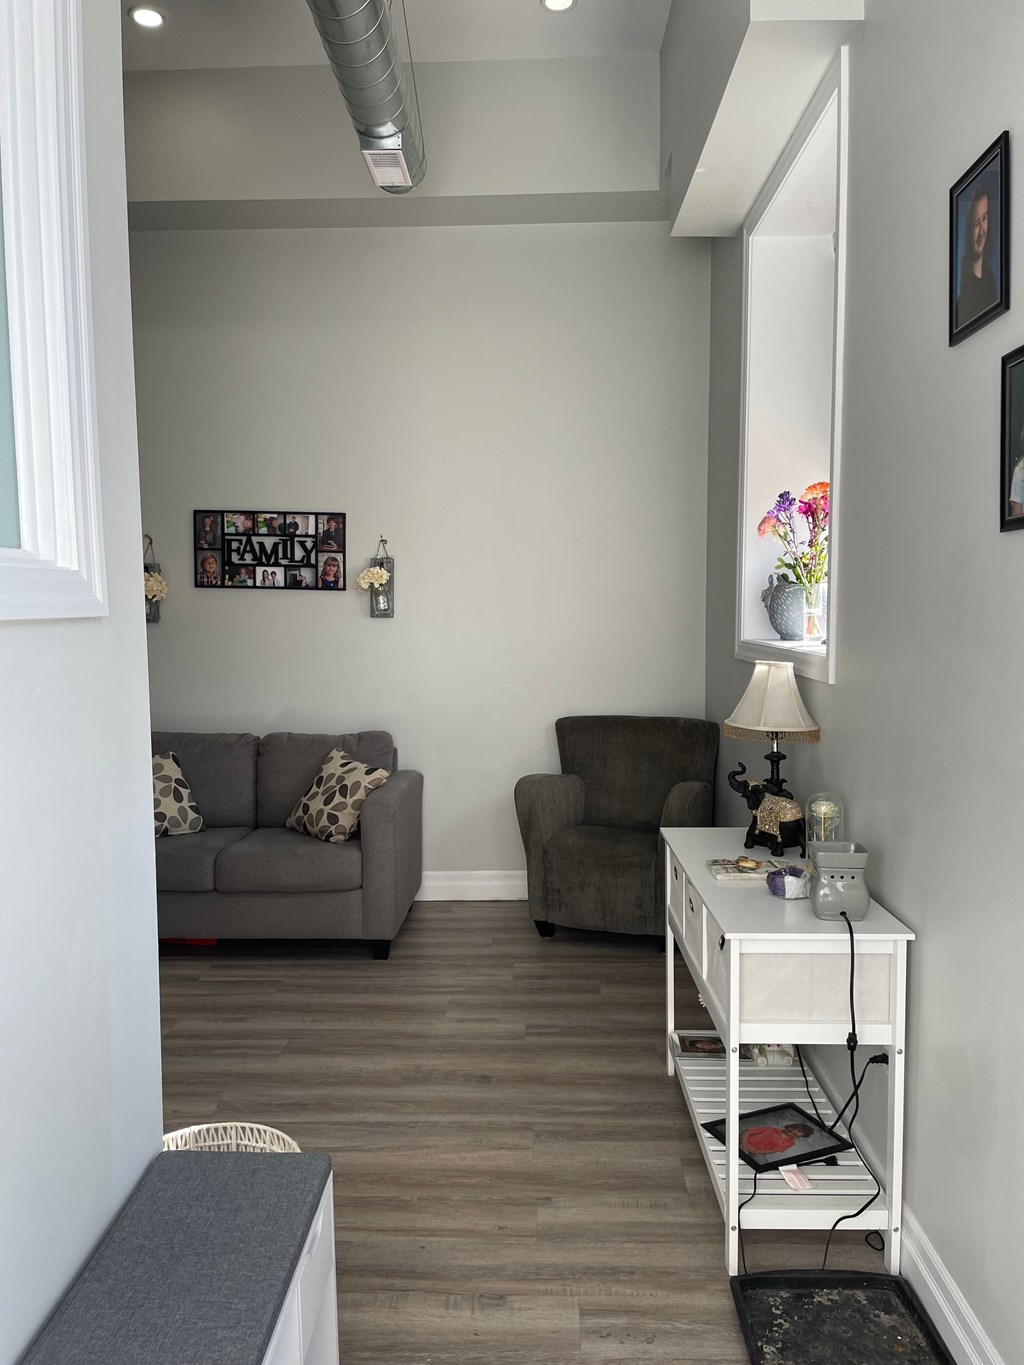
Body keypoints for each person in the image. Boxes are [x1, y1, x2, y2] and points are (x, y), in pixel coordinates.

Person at [956, 181, 998, 328]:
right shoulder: (965, 297)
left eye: (984, 219)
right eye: (976, 223)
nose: (981, 231)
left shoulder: (990, 279)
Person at [739, 1121, 815, 1158]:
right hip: (742, 1141)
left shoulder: (790, 1143)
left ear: (800, 1136)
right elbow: (747, 1131)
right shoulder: (771, 1129)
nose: (793, 1131)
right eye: (793, 1128)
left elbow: (773, 1150)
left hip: (753, 1151)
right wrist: (744, 1142)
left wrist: (756, 1151)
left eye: (797, 1132)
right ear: (789, 1126)